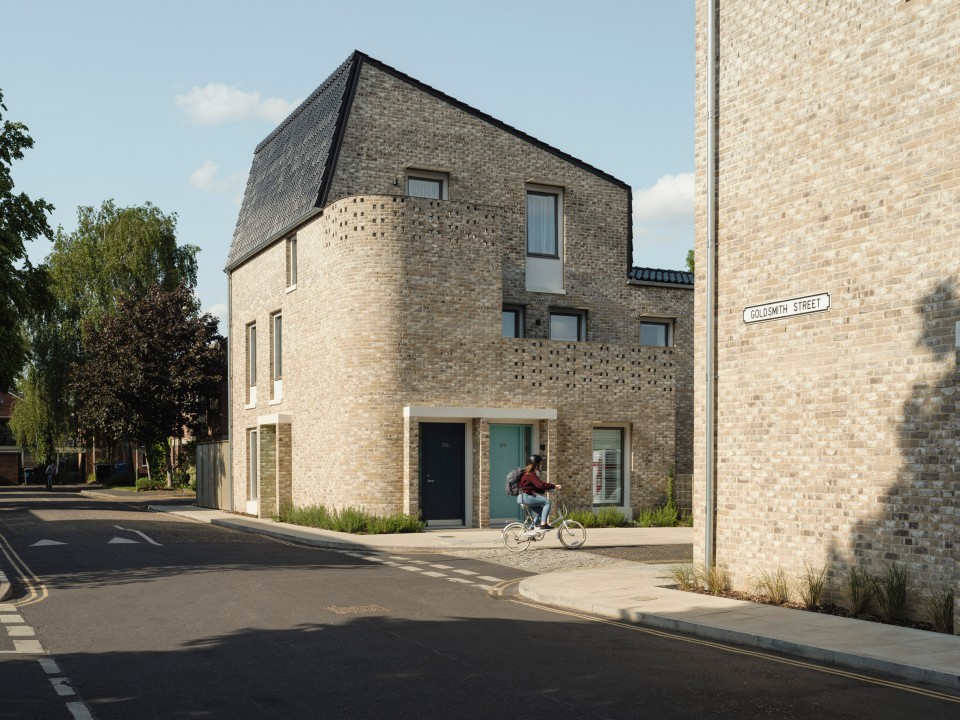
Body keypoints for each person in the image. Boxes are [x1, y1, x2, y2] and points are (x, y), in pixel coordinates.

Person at [517, 455, 561, 532]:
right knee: (547, 502)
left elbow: (534, 488)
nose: (541, 464)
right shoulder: (531, 473)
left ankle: (530, 529)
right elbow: (540, 484)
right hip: (526, 497)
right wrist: (554, 486)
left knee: (541, 512)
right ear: (537, 464)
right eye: (541, 463)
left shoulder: (527, 473)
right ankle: (543, 525)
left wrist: (546, 491)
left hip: (523, 497)